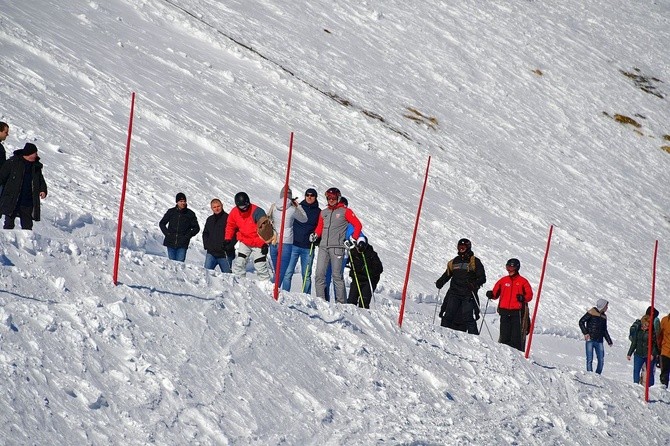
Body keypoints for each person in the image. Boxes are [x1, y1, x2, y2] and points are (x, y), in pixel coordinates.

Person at [311, 187, 363, 303]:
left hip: (337, 248)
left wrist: (352, 239)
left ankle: (341, 303)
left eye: (333, 197)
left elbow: (358, 225)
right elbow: (319, 228)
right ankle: (321, 301)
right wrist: (315, 235)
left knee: (337, 276)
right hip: (324, 247)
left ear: (338, 198)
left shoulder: (345, 211)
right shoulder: (324, 212)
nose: (331, 200)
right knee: (319, 274)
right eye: (329, 197)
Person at [435, 238, 486, 335]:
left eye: (463, 247)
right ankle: (441, 335)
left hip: (468, 294)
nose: (461, 249)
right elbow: (447, 274)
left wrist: (474, 284)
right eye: (459, 247)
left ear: (468, 247)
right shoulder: (454, 262)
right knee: (448, 315)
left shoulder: (474, 261)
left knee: (468, 317)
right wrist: (440, 282)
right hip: (455, 293)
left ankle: (475, 339)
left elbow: (482, 278)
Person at [486, 258, 533, 351]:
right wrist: (491, 294)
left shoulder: (523, 281)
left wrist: (523, 298)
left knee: (516, 336)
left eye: (512, 268)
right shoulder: (503, 280)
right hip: (504, 311)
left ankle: (517, 354)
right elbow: (495, 293)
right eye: (508, 268)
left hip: (517, 313)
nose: (509, 270)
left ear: (517, 268)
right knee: (504, 335)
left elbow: (529, 295)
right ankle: (503, 353)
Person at [224, 191, 271, 281]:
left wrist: (264, 244)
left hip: (258, 242)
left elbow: (266, 229)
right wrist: (228, 238)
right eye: (242, 207)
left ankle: (266, 285)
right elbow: (230, 225)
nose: (245, 208)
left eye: (246, 205)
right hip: (245, 241)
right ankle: (240, 283)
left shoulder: (257, 211)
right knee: (239, 263)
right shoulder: (234, 212)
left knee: (259, 265)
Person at [0, 143, 48, 230]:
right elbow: (2, 176)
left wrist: (43, 190)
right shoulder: (13, 162)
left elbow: (41, 180)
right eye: (35, 153)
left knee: (27, 226)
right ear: (29, 154)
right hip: (13, 199)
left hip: (27, 201)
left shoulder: (36, 166)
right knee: (9, 224)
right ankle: (8, 242)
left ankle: (27, 242)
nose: (36, 155)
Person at [268, 186, 307, 290]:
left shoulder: (274, 206)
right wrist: (298, 206)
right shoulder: (292, 209)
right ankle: (273, 291)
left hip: (274, 241)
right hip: (286, 242)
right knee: (281, 271)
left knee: (277, 271)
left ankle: (272, 289)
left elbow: (269, 219)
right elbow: (304, 219)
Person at [285, 188, 320, 293]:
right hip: (294, 245)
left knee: (306, 275)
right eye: (307, 195)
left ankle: (306, 297)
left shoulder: (318, 212)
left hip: (308, 247)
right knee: (288, 272)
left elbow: (320, 227)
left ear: (315, 197)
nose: (309, 197)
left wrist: (316, 237)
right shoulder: (298, 208)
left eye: (312, 195)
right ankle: (284, 293)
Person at [159, 192, 200, 262]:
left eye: (184, 201)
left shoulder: (190, 214)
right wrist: (167, 234)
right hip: (170, 242)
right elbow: (162, 223)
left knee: (180, 264)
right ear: (177, 202)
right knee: (171, 264)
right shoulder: (171, 212)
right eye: (181, 201)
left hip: (182, 244)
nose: (183, 203)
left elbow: (196, 228)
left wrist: (187, 236)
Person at [346, 236, 383, 309]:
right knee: (351, 300)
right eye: (358, 248)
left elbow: (379, 268)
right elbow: (346, 261)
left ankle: (364, 316)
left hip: (368, 280)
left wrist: (368, 272)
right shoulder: (353, 252)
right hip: (356, 279)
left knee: (364, 301)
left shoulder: (371, 254)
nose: (360, 251)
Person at [578, 299, 613, 374]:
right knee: (589, 359)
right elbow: (581, 322)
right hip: (590, 339)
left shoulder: (604, 316)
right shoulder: (591, 312)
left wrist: (609, 340)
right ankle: (590, 374)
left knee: (601, 360)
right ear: (603, 306)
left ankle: (597, 376)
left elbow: (604, 330)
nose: (607, 308)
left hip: (599, 340)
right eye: (606, 306)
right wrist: (585, 333)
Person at [202, 198, 236, 273]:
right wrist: (207, 245)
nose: (216, 209)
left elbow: (235, 234)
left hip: (225, 254)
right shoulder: (210, 219)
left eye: (218, 206)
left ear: (222, 206)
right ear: (211, 208)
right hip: (211, 253)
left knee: (228, 276)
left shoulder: (229, 218)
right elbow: (205, 233)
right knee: (206, 274)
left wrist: (229, 246)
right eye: (214, 207)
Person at [626, 314, 659, 386]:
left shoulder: (652, 333)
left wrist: (652, 354)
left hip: (648, 355)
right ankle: (636, 385)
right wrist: (629, 353)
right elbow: (634, 342)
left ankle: (650, 387)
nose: (645, 327)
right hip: (638, 354)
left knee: (649, 372)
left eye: (647, 325)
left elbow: (655, 345)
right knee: (636, 370)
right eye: (644, 325)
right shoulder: (638, 331)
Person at [658, 310, 670, 389]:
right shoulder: (665, 320)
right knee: (664, 373)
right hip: (665, 351)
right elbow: (660, 335)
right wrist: (659, 348)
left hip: (665, 350)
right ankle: (664, 391)